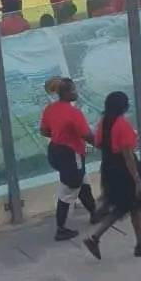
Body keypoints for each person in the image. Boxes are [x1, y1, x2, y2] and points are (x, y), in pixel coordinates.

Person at [83, 91, 141, 261]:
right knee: (135, 206)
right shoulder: (122, 125)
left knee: (122, 207)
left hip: (109, 169)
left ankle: (95, 238)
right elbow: (128, 157)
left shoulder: (104, 122)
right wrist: (137, 181)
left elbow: (98, 143)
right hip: (124, 171)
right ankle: (140, 245)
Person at [40, 77, 97, 242]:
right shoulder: (74, 113)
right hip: (71, 154)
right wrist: (104, 147)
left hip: (56, 151)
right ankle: (61, 228)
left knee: (83, 182)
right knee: (70, 189)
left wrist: (60, 134)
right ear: (65, 93)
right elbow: (88, 136)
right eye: (73, 89)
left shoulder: (50, 109)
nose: (76, 92)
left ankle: (95, 213)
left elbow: (44, 131)